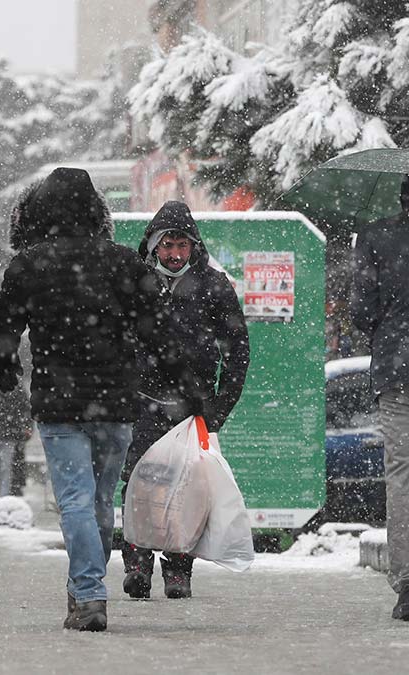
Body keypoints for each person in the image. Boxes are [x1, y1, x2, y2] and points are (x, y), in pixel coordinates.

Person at [0, 167, 174, 632]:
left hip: (59, 403)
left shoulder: (29, 264)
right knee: (101, 500)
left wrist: (6, 372)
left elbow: (2, 329)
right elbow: (157, 328)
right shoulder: (122, 262)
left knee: (74, 500)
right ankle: (85, 588)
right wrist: (169, 379)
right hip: (114, 404)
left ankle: (89, 593)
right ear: (96, 211)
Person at [120, 201, 250, 600]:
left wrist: (219, 408)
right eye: (167, 245)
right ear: (153, 246)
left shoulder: (214, 285)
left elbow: (238, 350)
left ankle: (178, 569)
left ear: (194, 246)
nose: (175, 254)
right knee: (139, 485)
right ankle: (137, 563)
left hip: (192, 408)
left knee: (186, 489)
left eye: (182, 245)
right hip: (142, 402)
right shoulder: (135, 283)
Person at [352, 176, 409, 622]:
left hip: (398, 372)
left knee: (402, 474)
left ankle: (408, 583)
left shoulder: (376, 237)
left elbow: (362, 313)